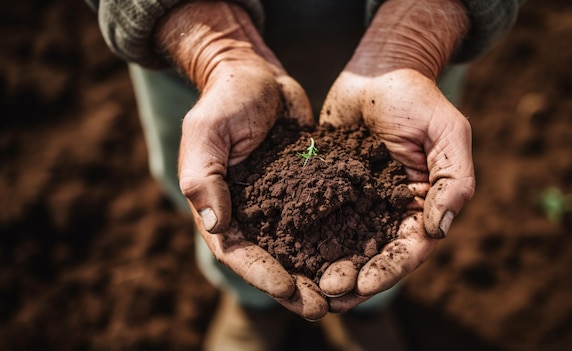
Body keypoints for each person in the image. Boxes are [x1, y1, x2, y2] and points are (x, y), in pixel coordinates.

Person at [86, 0, 522, 349]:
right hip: (194, 50)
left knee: (410, 197)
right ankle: (251, 303)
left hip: (407, 55)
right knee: (212, 188)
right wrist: (215, 51)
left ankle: (369, 310)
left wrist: (411, 45)